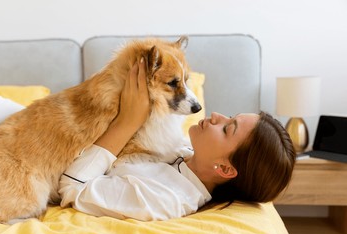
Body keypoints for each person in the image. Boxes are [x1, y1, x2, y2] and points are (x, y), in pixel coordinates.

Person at [59, 58, 296, 221]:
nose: (216, 116)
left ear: (225, 168)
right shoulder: (182, 150)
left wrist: (127, 122)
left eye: (227, 129)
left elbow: (72, 187)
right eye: (230, 116)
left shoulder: (166, 198)